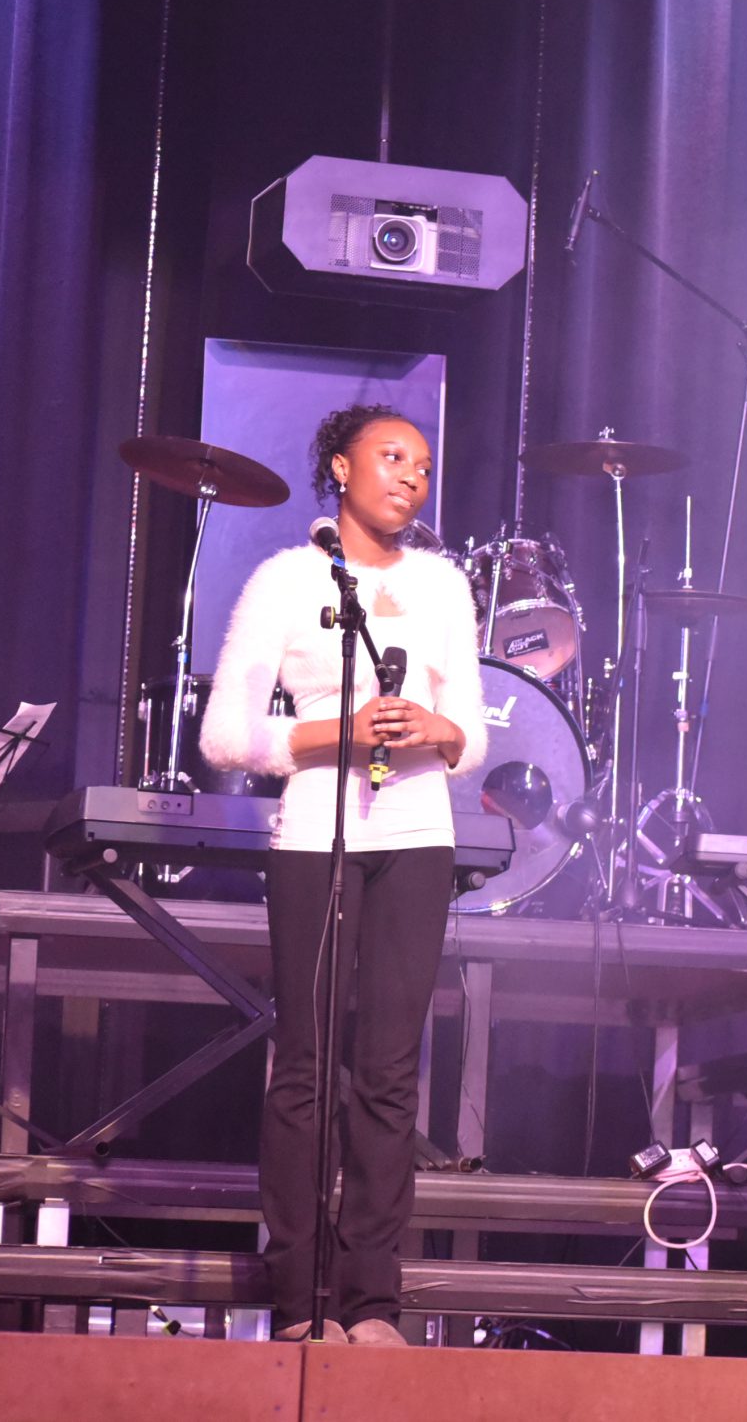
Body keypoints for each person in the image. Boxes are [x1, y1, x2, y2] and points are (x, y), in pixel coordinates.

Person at [200, 404, 486, 1346]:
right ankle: (298, 1295)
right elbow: (225, 735)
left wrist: (440, 730)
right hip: (316, 835)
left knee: (391, 1073)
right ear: (340, 467)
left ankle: (370, 1298)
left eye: (424, 465)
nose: (411, 476)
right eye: (391, 455)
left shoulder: (443, 584)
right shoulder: (289, 578)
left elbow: (472, 732)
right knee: (309, 1065)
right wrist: (342, 733)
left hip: (417, 834)